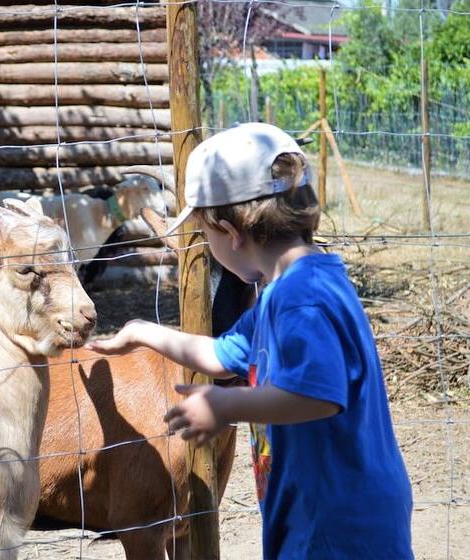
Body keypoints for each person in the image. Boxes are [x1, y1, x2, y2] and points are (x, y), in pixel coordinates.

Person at [87, 123, 413, 559]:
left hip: (340, 524)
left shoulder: (302, 299)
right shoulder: (285, 292)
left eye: (206, 236)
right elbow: (219, 354)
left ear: (231, 232)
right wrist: (141, 332)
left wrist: (227, 406)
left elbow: (319, 395)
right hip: (311, 511)